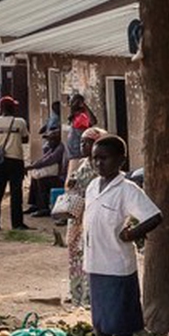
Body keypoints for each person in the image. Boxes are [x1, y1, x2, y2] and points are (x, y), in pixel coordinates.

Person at [82, 134, 162, 336]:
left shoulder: (127, 190)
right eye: (95, 158)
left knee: (121, 320)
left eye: (104, 158)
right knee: (101, 319)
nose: (98, 163)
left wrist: (132, 233)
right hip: (95, 262)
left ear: (120, 160)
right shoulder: (92, 187)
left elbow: (154, 216)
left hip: (117, 264)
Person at [60, 126, 104, 307]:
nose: (82, 146)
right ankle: (77, 294)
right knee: (75, 254)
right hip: (77, 217)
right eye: (82, 142)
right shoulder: (83, 164)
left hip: (90, 216)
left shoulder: (101, 167)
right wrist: (71, 182)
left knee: (90, 255)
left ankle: (88, 297)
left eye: (88, 143)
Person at [0, 95, 31, 231]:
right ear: (13, 108)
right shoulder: (20, 122)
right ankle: (17, 224)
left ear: (1, 109)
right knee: (16, 193)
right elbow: (25, 139)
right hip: (16, 160)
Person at [24, 128, 67, 217]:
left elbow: (49, 160)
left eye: (51, 140)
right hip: (56, 175)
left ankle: (44, 208)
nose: (48, 142)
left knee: (42, 180)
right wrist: (32, 166)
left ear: (56, 140)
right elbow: (43, 159)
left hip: (61, 177)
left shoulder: (60, 148)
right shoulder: (53, 148)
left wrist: (31, 167)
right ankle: (35, 204)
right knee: (34, 178)